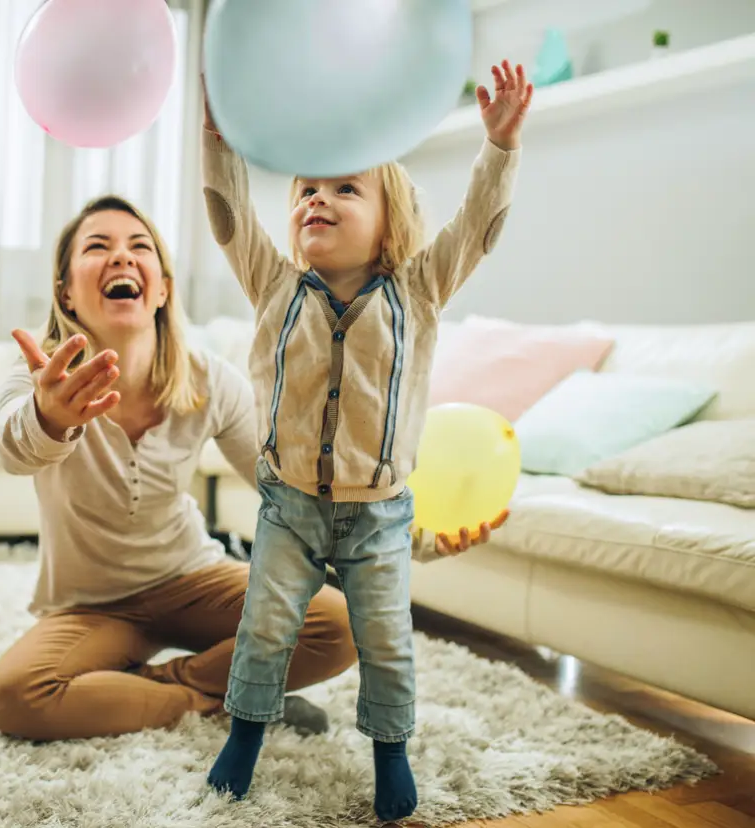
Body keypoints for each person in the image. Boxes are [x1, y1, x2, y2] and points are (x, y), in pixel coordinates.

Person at [0, 194, 499, 746]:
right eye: (97, 247)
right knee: (14, 696)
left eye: (139, 247)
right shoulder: (42, 377)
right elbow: (13, 451)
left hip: (191, 579)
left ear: (161, 287)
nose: (122, 258)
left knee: (340, 627)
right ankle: (219, 703)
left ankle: (159, 686)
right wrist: (50, 417)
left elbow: (289, 483)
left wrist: (409, 534)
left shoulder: (210, 378)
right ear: (66, 291)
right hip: (88, 604)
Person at [201, 60, 533, 823]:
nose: (318, 197)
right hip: (288, 506)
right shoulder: (273, 284)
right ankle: (245, 736)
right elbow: (226, 214)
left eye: (345, 188)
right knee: (265, 627)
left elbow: (478, 226)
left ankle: (390, 752)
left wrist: (502, 147)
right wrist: (217, 137)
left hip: (381, 513)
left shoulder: (418, 291)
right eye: (307, 190)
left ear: (392, 222)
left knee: (388, 643)